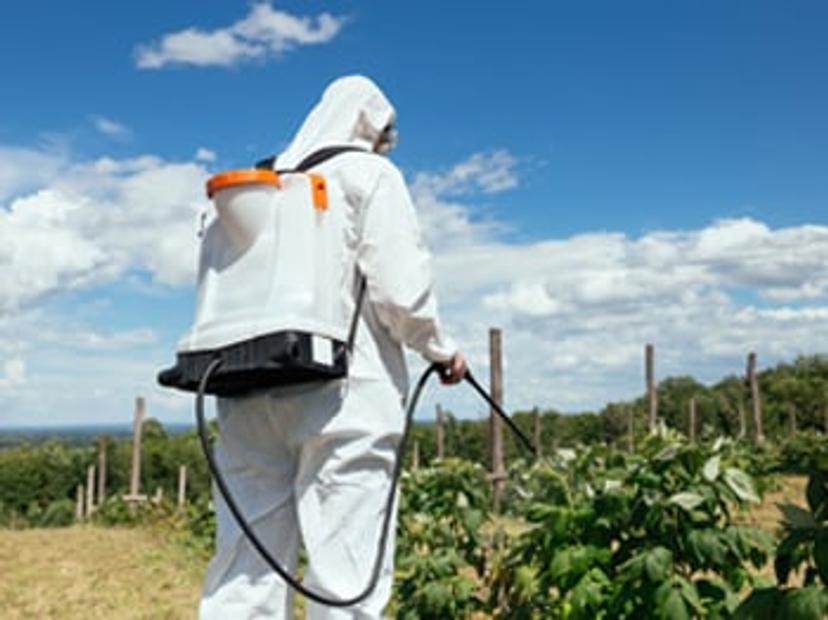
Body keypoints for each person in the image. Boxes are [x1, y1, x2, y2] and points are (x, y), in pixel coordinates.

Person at [199, 75, 466, 619]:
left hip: (246, 389)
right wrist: (442, 351)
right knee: (345, 576)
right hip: (344, 400)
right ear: (372, 125)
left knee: (244, 569)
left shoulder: (259, 187)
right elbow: (402, 293)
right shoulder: (369, 174)